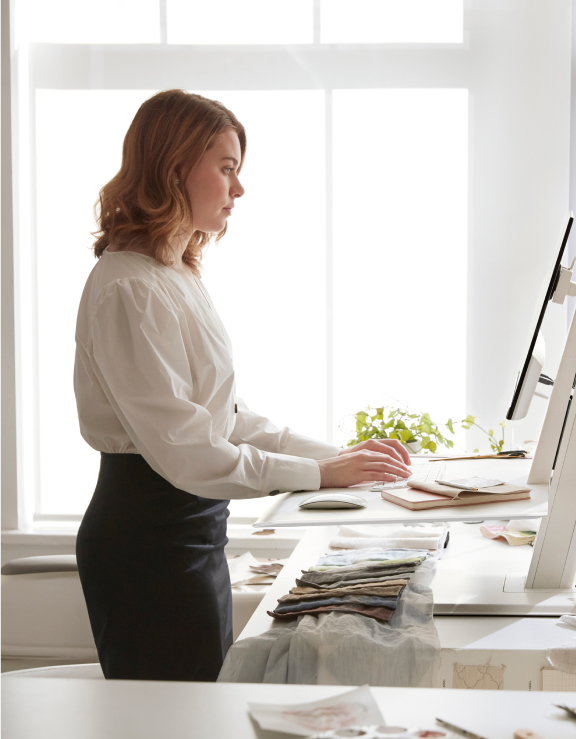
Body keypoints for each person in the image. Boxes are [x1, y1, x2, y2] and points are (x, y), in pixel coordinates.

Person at [73, 89, 412, 681]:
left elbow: (226, 420)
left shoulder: (174, 273)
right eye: (226, 168)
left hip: (191, 532)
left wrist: (336, 457)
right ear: (176, 167)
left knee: (202, 714)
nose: (239, 189)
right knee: (181, 728)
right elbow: (188, 451)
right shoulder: (129, 287)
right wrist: (319, 475)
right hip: (148, 542)